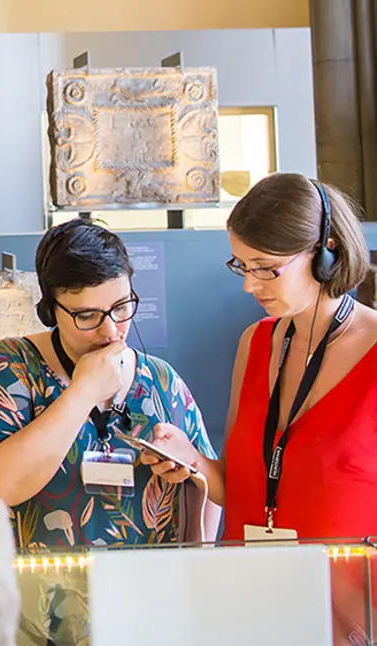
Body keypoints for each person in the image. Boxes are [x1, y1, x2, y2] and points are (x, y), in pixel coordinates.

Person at [142, 173, 377, 645]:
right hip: (251, 605)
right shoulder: (256, 343)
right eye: (241, 265)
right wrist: (193, 462)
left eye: (266, 268)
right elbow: (245, 488)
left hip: (352, 618)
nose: (250, 285)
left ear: (326, 251)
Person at [0, 219, 219, 548]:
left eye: (121, 307)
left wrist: (188, 467)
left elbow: (213, 489)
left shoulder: (161, 379)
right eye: (87, 316)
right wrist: (83, 392)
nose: (111, 331)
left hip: (152, 589)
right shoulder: (15, 363)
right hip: (46, 592)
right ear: (49, 310)